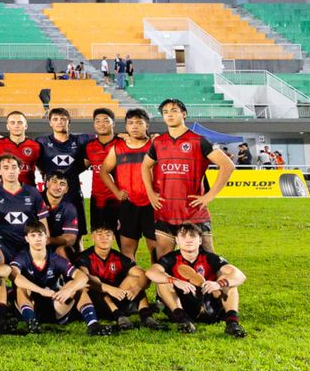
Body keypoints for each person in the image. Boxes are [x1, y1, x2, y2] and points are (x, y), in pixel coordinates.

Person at [143, 98, 234, 255]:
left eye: (174, 111)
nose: (169, 115)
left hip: (194, 211)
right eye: (165, 112)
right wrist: (150, 193)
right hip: (166, 210)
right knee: (164, 262)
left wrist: (209, 196)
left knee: (208, 258)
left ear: (184, 114)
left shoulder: (199, 140)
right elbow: (145, 166)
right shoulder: (158, 142)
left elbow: (228, 165)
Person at [146, 222, 248, 337]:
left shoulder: (209, 257)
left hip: (207, 303)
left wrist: (218, 284)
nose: (188, 240)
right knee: (163, 281)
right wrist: (175, 281)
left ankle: (232, 323)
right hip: (181, 305)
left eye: (192, 236)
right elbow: (151, 272)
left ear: (200, 240)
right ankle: (183, 321)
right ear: (177, 240)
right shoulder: (171, 258)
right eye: (183, 236)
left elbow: (240, 275)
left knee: (228, 280)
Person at [10, 221, 109, 335]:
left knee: (77, 287)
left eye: (40, 235)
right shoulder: (21, 257)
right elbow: (15, 277)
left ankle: (93, 325)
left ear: (46, 237)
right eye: (33, 235)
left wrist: (68, 290)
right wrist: (41, 291)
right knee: (21, 288)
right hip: (31, 306)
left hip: (55, 304)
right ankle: (31, 324)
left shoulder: (55, 258)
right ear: (27, 239)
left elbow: (82, 277)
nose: (37, 239)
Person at [78, 220, 160, 332]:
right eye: (100, 234)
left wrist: (136, 288)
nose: (104, 238)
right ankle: (119, 317)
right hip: (98, 302)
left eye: (108, 235)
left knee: (135, 279)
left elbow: (143, 275)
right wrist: (109, 289)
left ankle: (146, 316)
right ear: (92, 237)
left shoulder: (118, 257)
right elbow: (84, 279)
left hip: (119, 296)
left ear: (113, 238)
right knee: (94, 284)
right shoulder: (84, 257)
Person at [99, 108, 157, 262]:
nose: (134, 126)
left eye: (139, 122)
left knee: (156, 250)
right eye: (130, 123)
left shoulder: (156, 145)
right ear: (126, 127)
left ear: (147, 126)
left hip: (153, 203)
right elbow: (104, 171)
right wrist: (117, 192)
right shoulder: (118, 148)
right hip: (128, 204)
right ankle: (133, 284)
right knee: (127, 250)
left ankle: (160, 285)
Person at [0, 153, 47, 262]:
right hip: (4, 242)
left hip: (30, 242)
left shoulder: (33, 192)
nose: (11, 171)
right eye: (6, 168)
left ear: (19, 169)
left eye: (14, 167)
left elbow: (43, 222)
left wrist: (44, 245)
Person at [37, 108, 91, 237]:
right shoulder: (42, 142)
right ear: (50, 123)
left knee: (76, 236)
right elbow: (37, 161)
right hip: (50, 196)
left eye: (63, 119)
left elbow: (100, 140)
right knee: (47, 233)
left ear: (69, 121)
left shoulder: (80, 140)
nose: (59, 122)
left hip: (73, 193)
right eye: (55, 119)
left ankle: (77, 257)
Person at [84, 108, 120, 237]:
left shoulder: (122, 143)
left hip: (119, 200)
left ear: (113, 123)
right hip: (97, 200)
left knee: (124, 243)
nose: (101, 124)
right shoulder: (89, 146)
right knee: (99, 241)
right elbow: (81, 166)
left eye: (106, 120)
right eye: (97, 121)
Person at [0, 110, 42, 189]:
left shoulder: (36, 145)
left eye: (20, 122)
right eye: (12, 123)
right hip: (6, 192)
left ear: (26, 126)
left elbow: (43, 168)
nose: (16, 126)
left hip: (29, 191)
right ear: (7, 126)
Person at [41, 173, 81, 258]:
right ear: (47, 183)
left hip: (54, 245)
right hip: (33, 244)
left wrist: (49, 240)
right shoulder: (35, 200)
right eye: (54, 182)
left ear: (66, 189)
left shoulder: (69, 208)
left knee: (65, 250)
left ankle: (66, 270)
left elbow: (71, 239)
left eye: (62, 184)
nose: (57, 187)